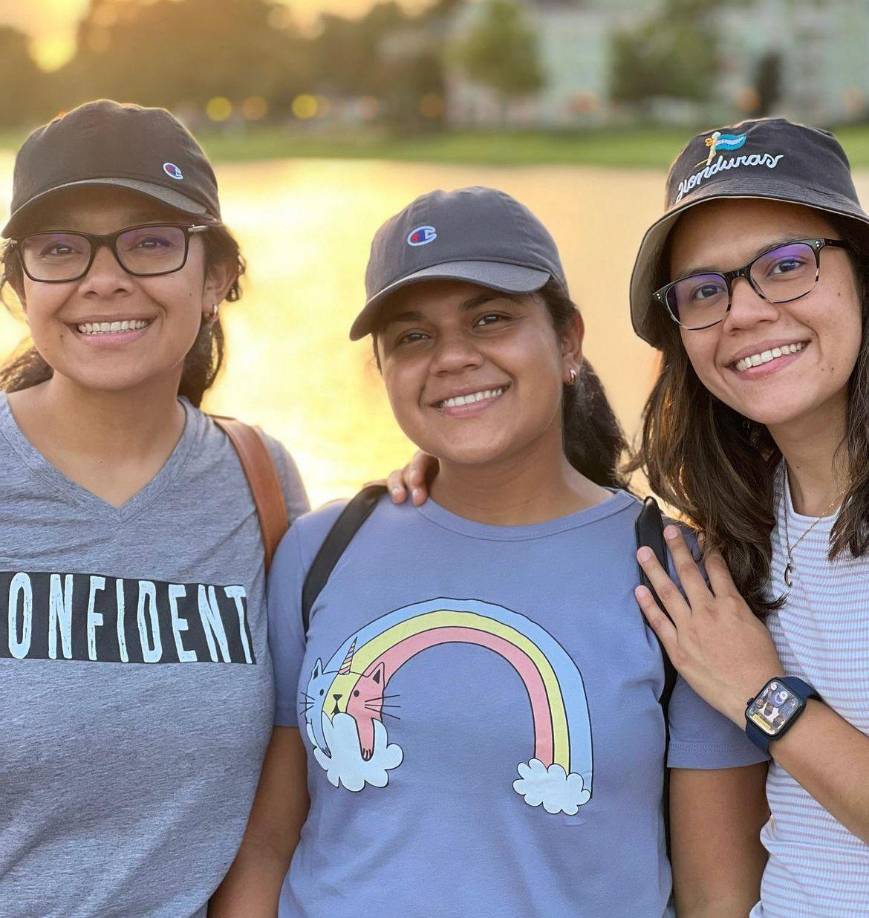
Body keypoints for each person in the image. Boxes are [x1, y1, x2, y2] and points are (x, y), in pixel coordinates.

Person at [214, 187, 768, 917]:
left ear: (567, 341)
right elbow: (267, 845)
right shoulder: (321, 549)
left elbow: (717, 894)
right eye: (412, 337)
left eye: (490, 318)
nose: (452, 358)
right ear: (383, 371)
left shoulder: (672, 575)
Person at [0, 100, 310, 916]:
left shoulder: (261, 480)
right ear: (16, 286)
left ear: (215, 278)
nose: (104, 278)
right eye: (60, 249)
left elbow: (286, 766)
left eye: (149, 242)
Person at [627, 118, 869, 916]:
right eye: (704, 289)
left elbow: (755, 695)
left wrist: (765, 695)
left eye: (785, 266)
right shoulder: (738, 527)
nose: (742, 312)